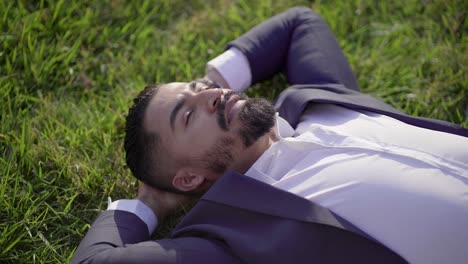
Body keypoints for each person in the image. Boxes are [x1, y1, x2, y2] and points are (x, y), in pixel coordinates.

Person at [72, 7, 468, 264]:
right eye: (188, 115)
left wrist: (214, 82)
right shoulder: (236, 237)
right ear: (188, 178)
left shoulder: (315, 104)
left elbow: (300, 23)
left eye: (199, 86)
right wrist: (150, 204)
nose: (213, 95)